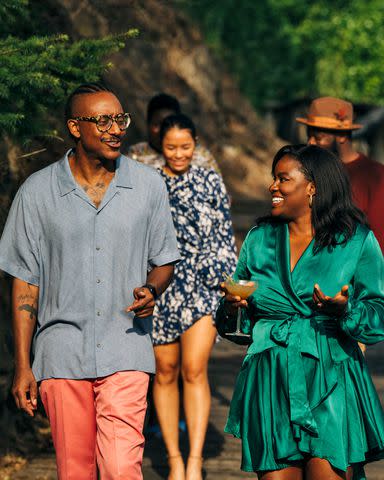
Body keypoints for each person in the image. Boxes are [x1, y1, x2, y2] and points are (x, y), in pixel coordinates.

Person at [0, 83, 180, 480]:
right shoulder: (37, 193)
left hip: (126, 348)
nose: (116, 128)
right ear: (75, 127)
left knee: (120, 468)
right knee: (75, 471)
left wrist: (152, 289)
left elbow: (165, 259)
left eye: (120, 119)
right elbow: (25, 286)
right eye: (102, 120)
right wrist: (23, 366)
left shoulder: (149, 186)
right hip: (61, 354)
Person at [217, 144, 384, 480]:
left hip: (331, 379)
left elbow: (378, 316)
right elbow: (238, 327)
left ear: (312, 187)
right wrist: (233, 309)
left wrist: (345, 311)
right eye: (273, 178)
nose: (272, 187)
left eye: (283, 178)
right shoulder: (259, 239)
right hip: (271, 376)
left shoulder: (355, 241)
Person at [152, 114, 237, 480]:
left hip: (203, 285)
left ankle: (195, 460)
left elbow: (223, 234)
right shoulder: (148, 183)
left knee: (194, 368)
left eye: (186, 146)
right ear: (161, 146)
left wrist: (226, 280)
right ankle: (173, 458)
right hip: (160, 285)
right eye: (171, 147)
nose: (178, 154)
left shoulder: (210, 180)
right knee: (165, 371)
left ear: (196, 143)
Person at [296, 96, 384, 251]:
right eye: (308, 135)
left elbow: (378, 247)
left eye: (318, 137)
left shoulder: (376, 177)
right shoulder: (308, 176)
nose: (310, 143)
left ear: (342, 136)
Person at [127, 93, 221, 173]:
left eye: (168, 124)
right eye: (157, 124)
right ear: (148, 124)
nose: (163, 131)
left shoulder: (202, 156)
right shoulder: (134, 156)